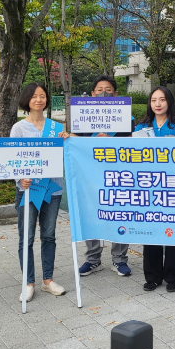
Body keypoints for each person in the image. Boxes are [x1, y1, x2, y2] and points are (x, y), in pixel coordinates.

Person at [61, 75, 134, 277]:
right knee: (91, 212)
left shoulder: (127, 117)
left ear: (116, 94)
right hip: (90, 176)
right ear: (92, 94)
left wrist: (112, 141)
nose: (103, 92)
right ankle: (93, 259)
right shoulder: (82, 115)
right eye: (99, 89)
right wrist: (69, 137)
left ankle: (120, 259)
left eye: (108, 89)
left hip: (119, 175)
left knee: (120, 213)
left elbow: (132, 144)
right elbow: (77, 141)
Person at [11, 83, 66, 302]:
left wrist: (67, 140)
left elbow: (63, 155)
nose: (39, 100)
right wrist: (19, 178)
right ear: (27, 100)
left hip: (52, 189)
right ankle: (28, 282)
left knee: (49, 235)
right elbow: (12, 158)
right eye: (34, 96)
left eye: (42, 96)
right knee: (27, 237)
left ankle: (48, 280)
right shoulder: (18, 129)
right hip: (28, 190)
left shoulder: (56, 127)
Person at [135, 87, 175, 293]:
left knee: (172, 231)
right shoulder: (141, 126)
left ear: (169, 102)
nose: (158, 104)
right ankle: (153, 276)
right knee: (151, 231)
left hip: (172, 185)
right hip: (148, 185)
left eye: (162, 100)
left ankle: (174, 276)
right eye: (154, 100)